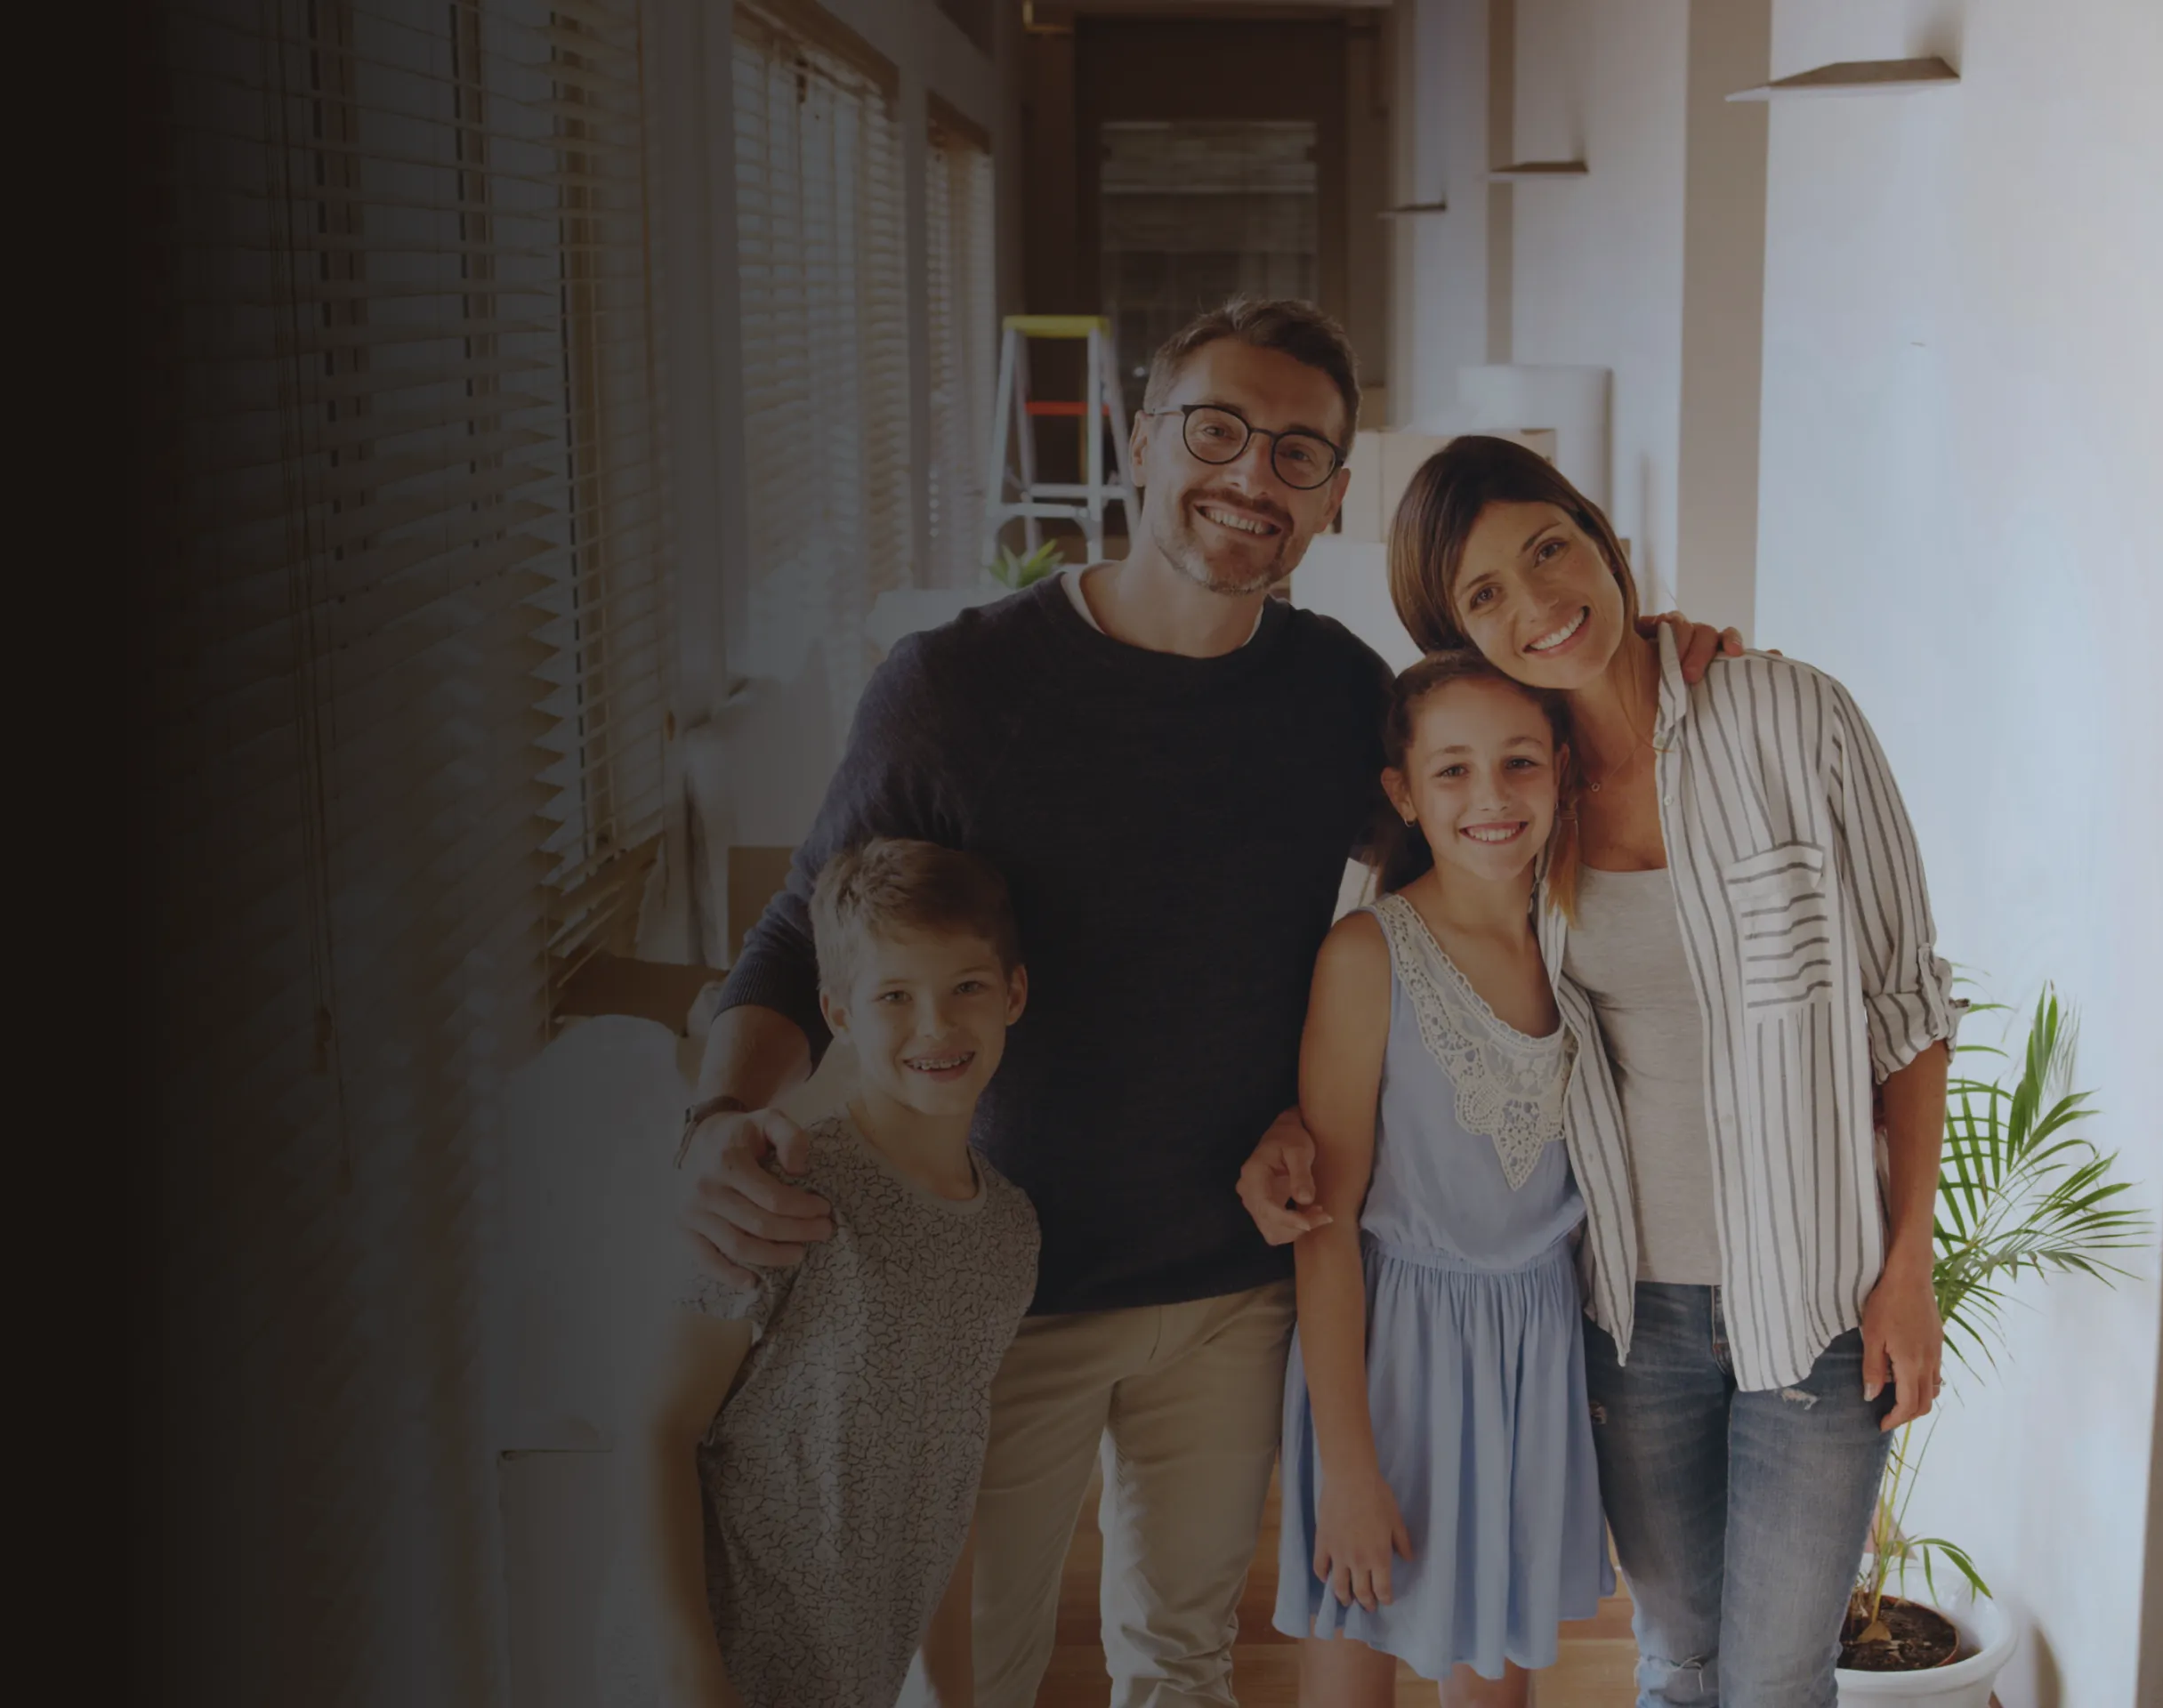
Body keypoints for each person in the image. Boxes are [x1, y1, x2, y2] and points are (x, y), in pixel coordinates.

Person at [672, 294, 1741, 1708]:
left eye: (1298, 454)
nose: (1253, 476)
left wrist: (1641, 674)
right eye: (1219, 430)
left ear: (1333, 499)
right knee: (974, 1674)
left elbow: (1484, 825)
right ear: (1139, 439)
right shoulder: (957, 686)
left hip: (1238, 1286)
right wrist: (718, 1116)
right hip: (1015, 1279)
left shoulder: (1330, 694)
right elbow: (803, 922)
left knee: (1181, 1665)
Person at [1376, 434, 1957, 1707]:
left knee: (1772, 1676)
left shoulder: (1790, 716)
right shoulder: (1517, 802)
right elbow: (1402, 960)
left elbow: (1908, 1014)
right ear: (1461, 637)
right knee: (1675, 1661)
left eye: (1549, 549)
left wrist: (1906, 1269)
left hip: (1813, 1306)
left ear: (1602, 539)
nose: (1539, 603)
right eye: (1486, 596)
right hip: (1628, 1317)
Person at [607, 839, 1043, 1708]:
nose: (937, 1027)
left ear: (1013, 994)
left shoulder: (1010, 1235)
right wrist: (693, 1677)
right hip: (716, 1676)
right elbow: (652, 1430)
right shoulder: (777, 1187)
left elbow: (945, 1484)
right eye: (894, 997)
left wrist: (952, 1696)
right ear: (837, 1013)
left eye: (966, 987)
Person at [1264, 653, 1610, 1708]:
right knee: (1353, 1659)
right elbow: (1325, 1228)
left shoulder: (1585, 939)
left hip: (1533, 1355)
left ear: (1560, 771)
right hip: (1391, 1357)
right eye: (1453, 772)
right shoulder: (1368, 956)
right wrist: (1349, 1468)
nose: (1491, 798)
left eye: (1517, 764)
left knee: (1495, 1688)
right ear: (1404, 794)